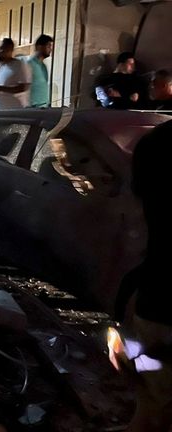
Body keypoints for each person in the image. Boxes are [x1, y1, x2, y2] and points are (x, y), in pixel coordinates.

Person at [118, 120, 172, 432]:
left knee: (153, 388)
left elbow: (139, 218)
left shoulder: (156, 144)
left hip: (158, 298)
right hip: (158, 299)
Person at [0, 38, 32, 110]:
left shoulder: (19, 65)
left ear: (10, 51)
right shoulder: (2, 66)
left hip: (12, 112)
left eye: (2, 49)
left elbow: (23, 87)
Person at [27, 34, 54, 108]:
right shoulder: (29, 65)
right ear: (39, 47)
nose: (51, 49)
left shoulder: (43, 66)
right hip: (32, 109)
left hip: (44, 108)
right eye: (48, 46)